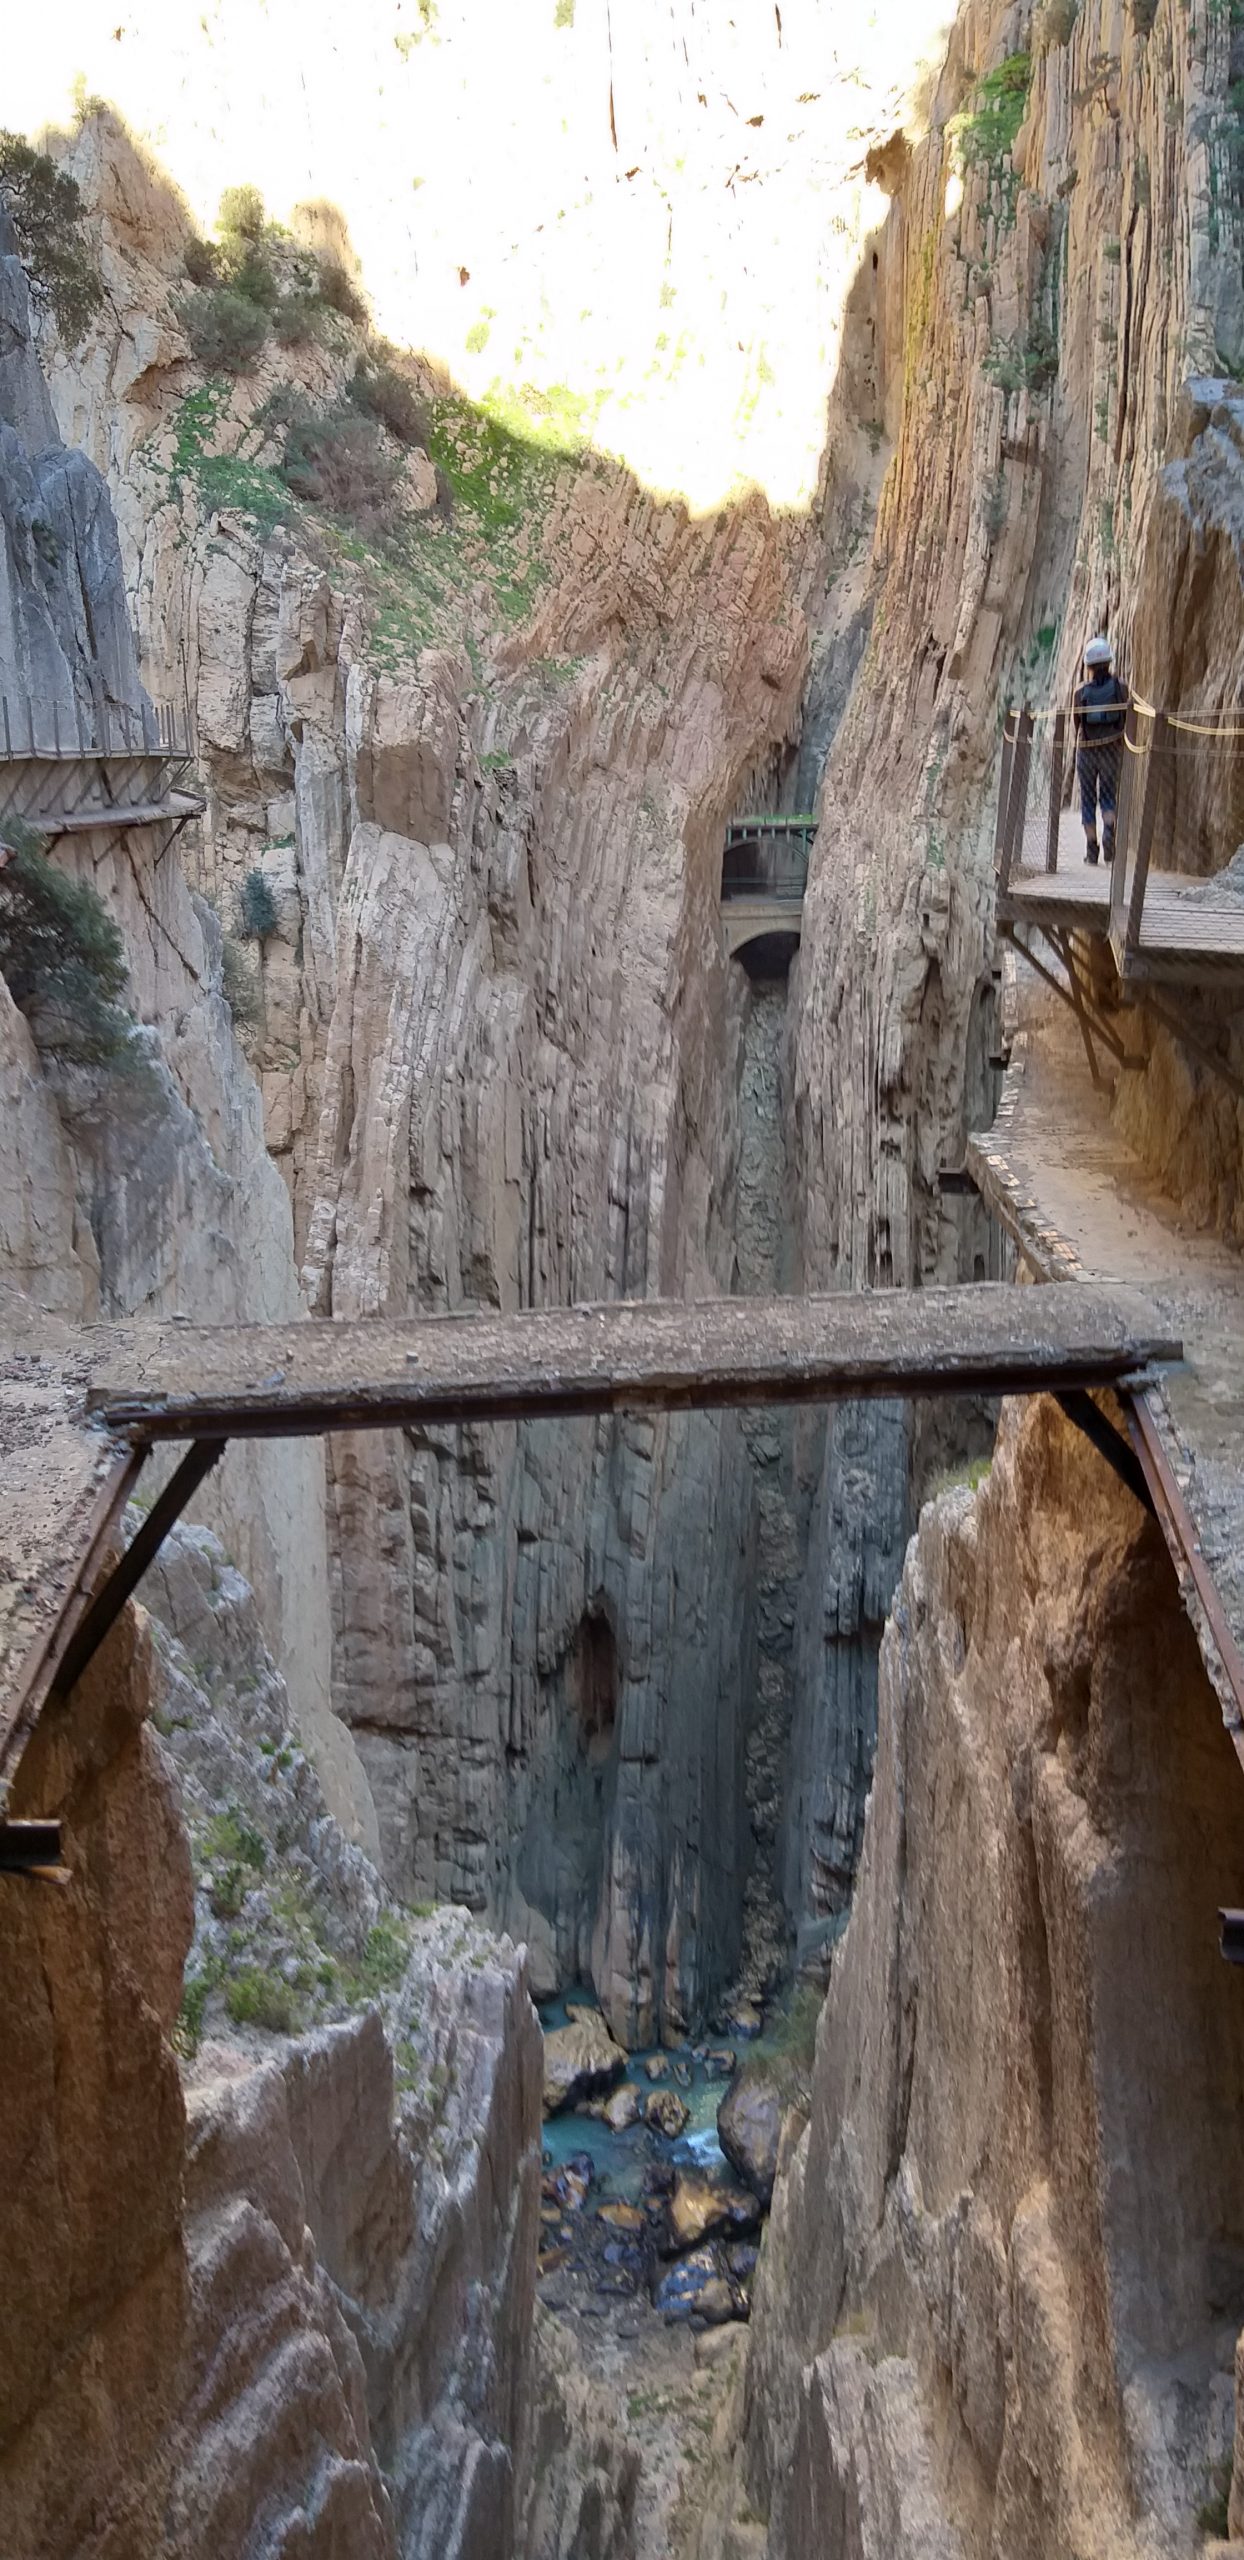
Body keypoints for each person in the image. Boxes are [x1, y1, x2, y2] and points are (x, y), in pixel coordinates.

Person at [1073, 636, 1130, 864]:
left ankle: (1092, 849)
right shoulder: (1121, 687)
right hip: (1111, 748)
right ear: (1109, 662)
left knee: (1088, 800)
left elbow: (1077, 723)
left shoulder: (1080, 692)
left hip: (1087, 751)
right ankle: (1108, 831)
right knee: (1107, 796)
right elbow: (1127, 717)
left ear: (1088, 666)